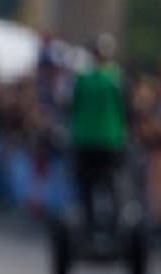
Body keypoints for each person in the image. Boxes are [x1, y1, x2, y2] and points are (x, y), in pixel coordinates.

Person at [69, 33, 130, 229]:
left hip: (85, 139)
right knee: (112, 183)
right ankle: (115, 224)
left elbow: (73, 108)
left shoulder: (83, 79)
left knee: (87, 185)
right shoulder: (117, 78)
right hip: (110, 140)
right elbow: (127, 110)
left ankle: (90, 223)